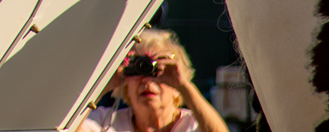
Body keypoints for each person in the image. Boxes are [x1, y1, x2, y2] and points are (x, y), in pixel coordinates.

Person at [74, 29, 229, 132]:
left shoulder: (193, 124)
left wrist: (184, 86)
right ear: (126, 88)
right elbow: (64, 129)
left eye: (157, 71)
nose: (147, 82)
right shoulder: (105, 123)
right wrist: (104, 85)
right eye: (137, 69)